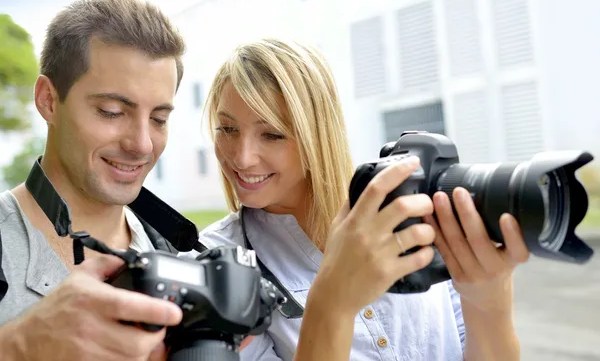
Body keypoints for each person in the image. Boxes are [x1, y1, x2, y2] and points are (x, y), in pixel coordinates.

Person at [191, 38, 531, 360]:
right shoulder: (214, 263)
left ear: (318, 133)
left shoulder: (411, 208)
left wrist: (489, 299)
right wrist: (333, 303)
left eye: (272, 134)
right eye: (227, 129)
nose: (242, 157)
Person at [0, 0, 187, 360]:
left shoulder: (177, 254)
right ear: (48, 100)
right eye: (112, 112)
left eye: (159, 119)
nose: (142, 144)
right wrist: (19, 346)